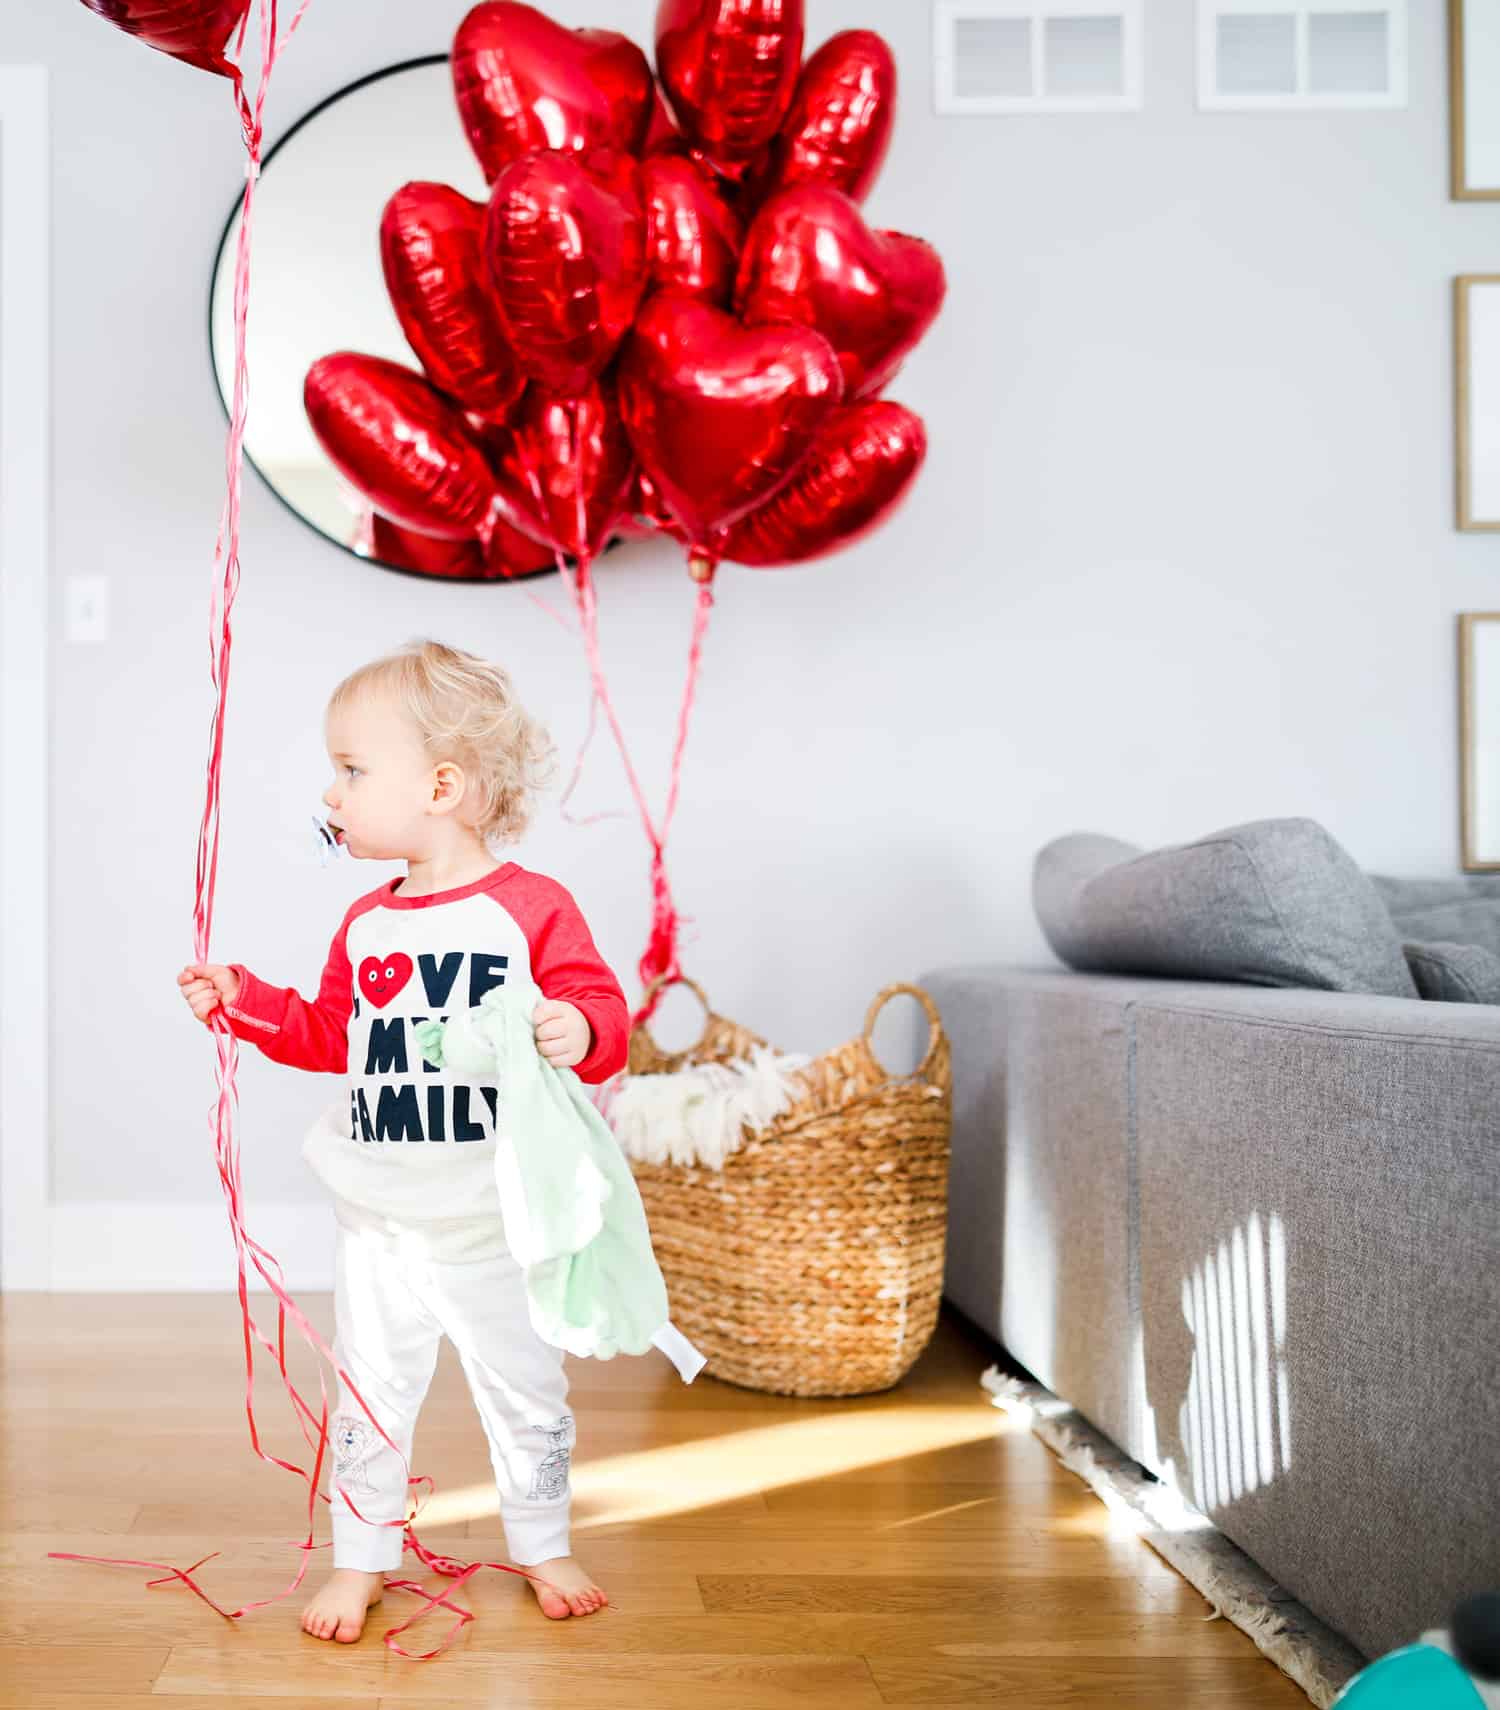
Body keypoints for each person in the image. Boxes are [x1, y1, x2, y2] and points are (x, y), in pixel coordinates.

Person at [177, 638, 627, 1643]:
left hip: (492, 1216)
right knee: (371, 1393)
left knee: (526, 1388)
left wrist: (583, 1027)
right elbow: (332, 1033)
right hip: (382, 1217)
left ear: (442, 784)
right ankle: (361, 1557)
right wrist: (246, 1003)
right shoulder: (366, 927)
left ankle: (542, 1537)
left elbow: (601, 1011)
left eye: (350, 769)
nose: (330, 795)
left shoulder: (530, 910)